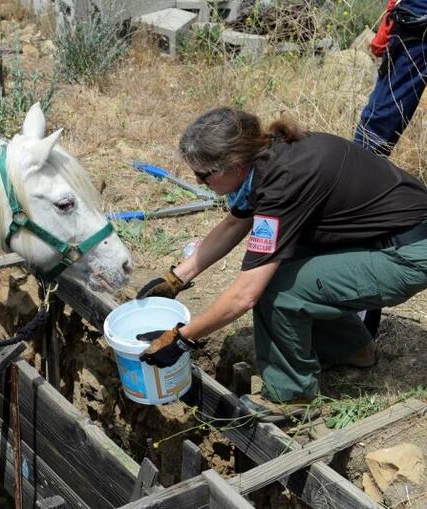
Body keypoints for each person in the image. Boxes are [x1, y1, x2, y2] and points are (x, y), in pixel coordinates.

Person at [137, 107, 427, 422]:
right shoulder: (266, 159)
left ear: (233, 165)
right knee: (288, 261)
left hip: (406, 254)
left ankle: (291, 397)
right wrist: (176, 278)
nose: (197, 181)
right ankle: (351, 349)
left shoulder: (283, 181)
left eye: (203, 175)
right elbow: (235, 224)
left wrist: (181, 338)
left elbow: (245, 295)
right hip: (385, 237)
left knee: (276, 289)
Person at [354, 0, 427, 157]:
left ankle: (357, 172)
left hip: (417, 15)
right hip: (417, 17)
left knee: (379, 125)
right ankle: (357, 174)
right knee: (378, 128)